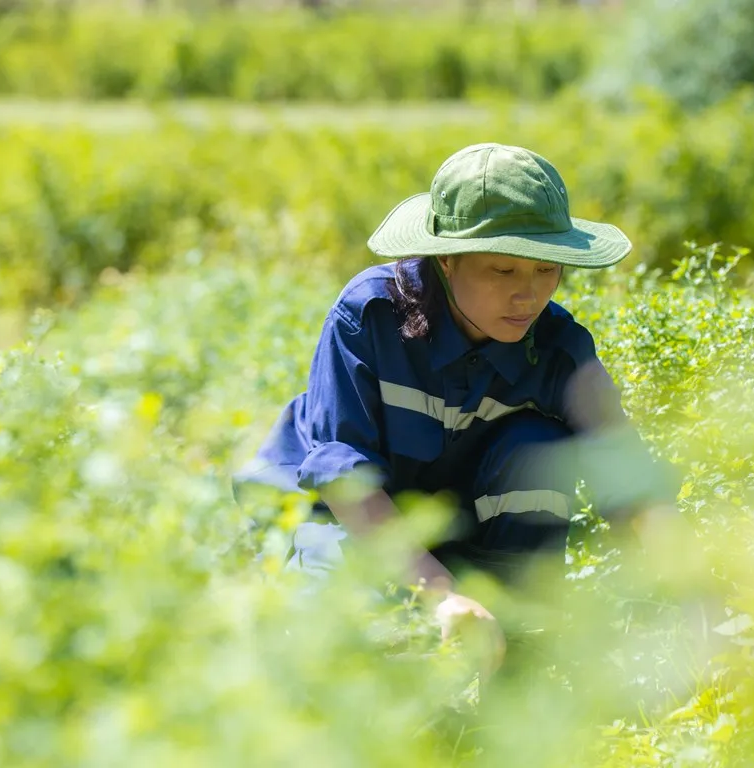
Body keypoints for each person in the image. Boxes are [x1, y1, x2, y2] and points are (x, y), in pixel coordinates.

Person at [233, 142, 681, 685]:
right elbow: (343, 477)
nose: (529, 294)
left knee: (538, 444)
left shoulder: (558, 347)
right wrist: (439, 595)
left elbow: (627, 475)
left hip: (460, 527)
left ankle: (513, 643)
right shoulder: (370, 316)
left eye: (546, 269)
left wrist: (695, 584)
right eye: (503, 269)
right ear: (445, 260)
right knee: (339, 650)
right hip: (343, 521)